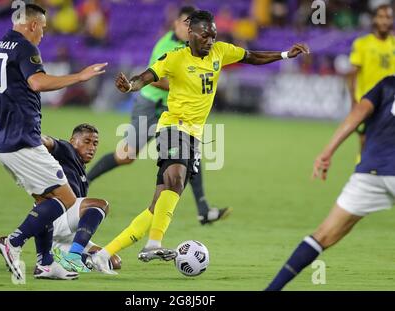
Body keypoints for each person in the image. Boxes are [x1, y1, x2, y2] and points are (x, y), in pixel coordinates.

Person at [90, 10, 309, 273]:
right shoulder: (175, 57)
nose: (210, 40)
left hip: (194, 134)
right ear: (191, 34)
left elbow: (251, 57)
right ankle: (154, 244)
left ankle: (104, 254)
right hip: (173, 126)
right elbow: (147, 75)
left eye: (213, 35)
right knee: (176, 180)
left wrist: (285, 54)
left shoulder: (220, 51)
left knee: (158, 204)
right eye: (206, 35)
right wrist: (130, 86)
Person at [0, 4, 107, 281]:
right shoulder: (24, 48)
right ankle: (13, 242)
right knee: (67, 199)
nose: (43, 34)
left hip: (3, 142)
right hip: (24, 140)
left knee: (44, 201)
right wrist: (79, 77)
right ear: (32, 25)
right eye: (43, 28)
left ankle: (45, 264)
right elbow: (37, 82)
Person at [87, 6, 230, 226]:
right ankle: (84, 180)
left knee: (191, 152)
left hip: (173, 112)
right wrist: (190, 84)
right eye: (184, 24)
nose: (187, 29)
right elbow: (154, 78)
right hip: (151, 107)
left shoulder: (195, 48)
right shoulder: (166, 46)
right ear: (176, 25)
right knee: (127, 155)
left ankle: (203, 209)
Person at [265, 75, 395, 291]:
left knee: (323, 235)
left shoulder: (388, 84)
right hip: (379, 169)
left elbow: (357, 115)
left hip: (371, 171)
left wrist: (327, 152)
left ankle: (271, 290)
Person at [40, 123, 121, 273]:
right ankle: (74, 256)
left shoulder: (80, 170)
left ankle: (60, 257)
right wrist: (29, 135)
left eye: (95, 143)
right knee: (100, 205)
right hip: (56, 218)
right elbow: (47, 141)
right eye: (87, 141)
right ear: (72, 141)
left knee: (112, 260)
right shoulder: (66, 150)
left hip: (65, 236)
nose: (92, 147)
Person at [348, 4, 395, 155]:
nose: (384, 21)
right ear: (374, 19)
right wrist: (354, 103)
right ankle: (361, 174)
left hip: (390, 105)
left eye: (388, 17)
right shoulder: (362, 44)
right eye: (381, 17)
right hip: (366, 103)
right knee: (365, 145)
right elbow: (352, 75)